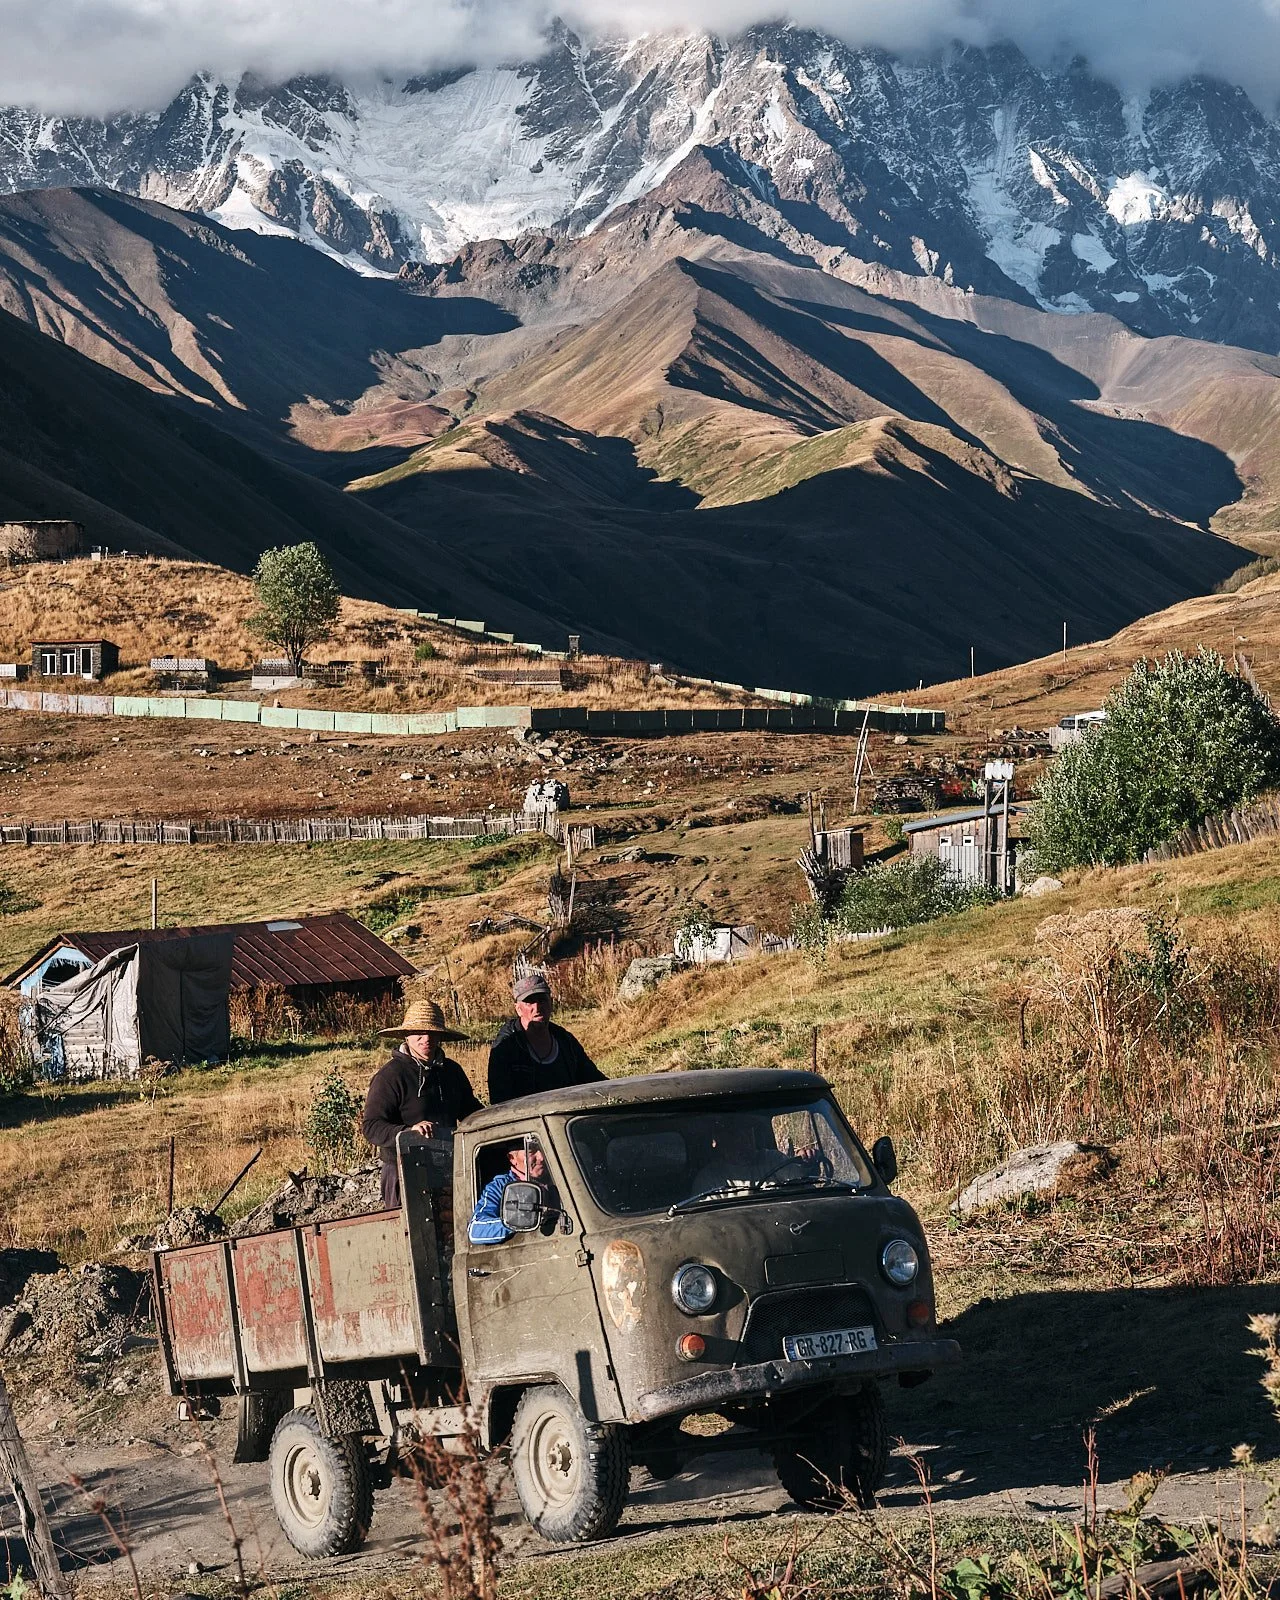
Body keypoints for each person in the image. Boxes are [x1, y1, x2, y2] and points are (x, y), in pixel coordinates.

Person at [362, 999, 481, 1207]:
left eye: (433, 1032)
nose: (426, 1038)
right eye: (419, 1032)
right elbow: (372, 1127)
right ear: (406, 1035)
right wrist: (408, 1132)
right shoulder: (390, 1076)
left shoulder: (452, 1072)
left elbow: (470, 1111)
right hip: (403, 1171)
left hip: (448, 1167)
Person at [487, 971, 605, 1104]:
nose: (537, 1007)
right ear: (518, 1009)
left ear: (551, 1003)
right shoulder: (506, 1048)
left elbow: (595, 1081)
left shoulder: (565, 1041)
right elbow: (500, 1102)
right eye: (529, 1002)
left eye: (542, 1000)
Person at [468, 1139, 555, 1244]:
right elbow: (476, 1231)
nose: (541, 1157)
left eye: (542, 1150)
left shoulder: (557, 1175)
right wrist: (517, 1219)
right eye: (531, 1152)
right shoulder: (500, 1186)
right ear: (512, 1158)